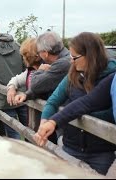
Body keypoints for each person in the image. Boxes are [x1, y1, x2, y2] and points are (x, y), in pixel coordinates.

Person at [34, 32, 116, 175]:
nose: (71, 61)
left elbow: (103, 111)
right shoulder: (73, 74)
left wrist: (68, 116)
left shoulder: (110, 77)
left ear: (90, 55)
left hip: (102, 151)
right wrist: (46, 121)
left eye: (75, 57)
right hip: (72, 146)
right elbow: (55, 101)